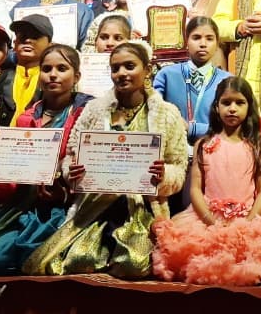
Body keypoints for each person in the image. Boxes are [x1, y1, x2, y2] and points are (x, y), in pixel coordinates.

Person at [24, 42, 188, 277]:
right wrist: (73, 171)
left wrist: (164, 175)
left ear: (147, 70)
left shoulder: (167, 114)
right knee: (76, 260)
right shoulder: (94, 109)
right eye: (115, 68)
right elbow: (71, 156)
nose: (121, 73)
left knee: (134, 263)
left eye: (129, 66)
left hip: (142, 207)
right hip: (95, 204)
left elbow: (179, 168)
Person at [152, 77, 261, 285]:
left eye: (239, 103)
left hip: (248, 218)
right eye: (226, 103)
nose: (232, 109)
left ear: (249, 106)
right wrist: (211, 221)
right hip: (206, 219)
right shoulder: (204, 144)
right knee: (202, 262)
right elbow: (196, 190)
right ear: (217, 107)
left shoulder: (257, 146)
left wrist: (248, 222)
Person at [0, 44, 94, 275]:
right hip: (26, 205)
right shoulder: (26, 118)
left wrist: (64, 191)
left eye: (62, 68)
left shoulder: (88, 113)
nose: (53, 74)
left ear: (77, 76)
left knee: (44, 261)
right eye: (47, 69)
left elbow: (92, 168)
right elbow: (15, 169)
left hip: (70, 207)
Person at [153, 17, 233, 147]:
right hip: (172, 149)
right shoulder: (166, 75)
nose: (203, 44)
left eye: (209, 39)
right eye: (196, 38)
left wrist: (192, 128)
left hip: (215, 149)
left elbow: (231, 124)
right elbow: (155, 113)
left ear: (217, 43)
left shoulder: (228, 80)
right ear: (186, 41)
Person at [0, 14, 53, 126]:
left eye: (35, 36)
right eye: (22, 35)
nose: (28, 40)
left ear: (50, 45)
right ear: (15, 43)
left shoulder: (55, 80)